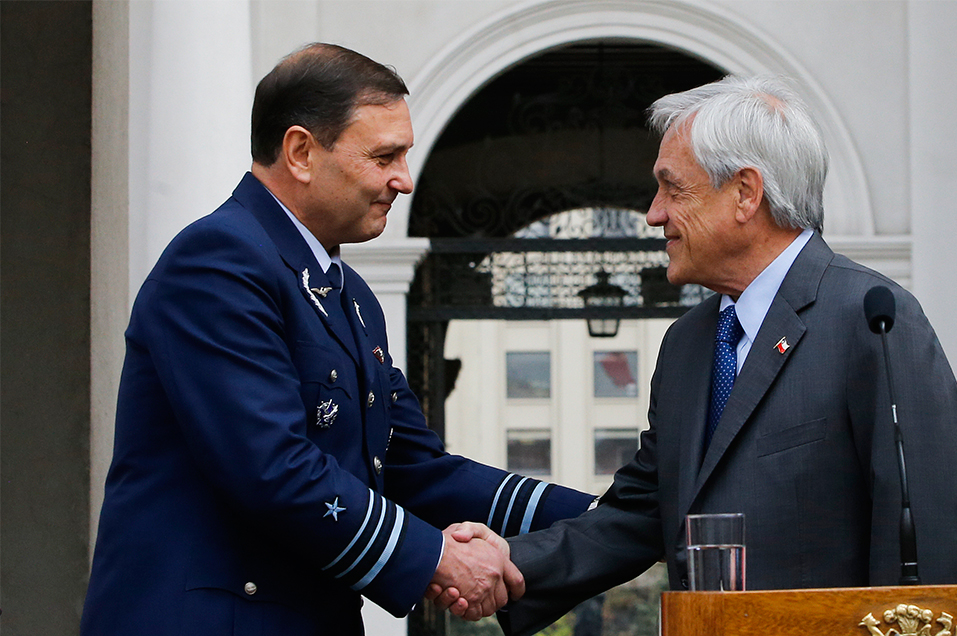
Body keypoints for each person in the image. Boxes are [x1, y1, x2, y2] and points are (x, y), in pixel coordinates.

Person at [81, 43, 592, 635]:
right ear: (300, 151)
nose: (403, 178)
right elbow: (273, 469)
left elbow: (412, 466)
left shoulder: (346, 294)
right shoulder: (218, 263)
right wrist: (437, 559)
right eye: (384, 155)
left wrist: (607, 520)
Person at [465, 75, 957, 636]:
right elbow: (640, 512)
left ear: (745, 194)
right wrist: (509, 564)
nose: (654, 214)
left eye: (671, 188)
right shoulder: (686, 343)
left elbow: (924, 539)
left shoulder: (873, 320)